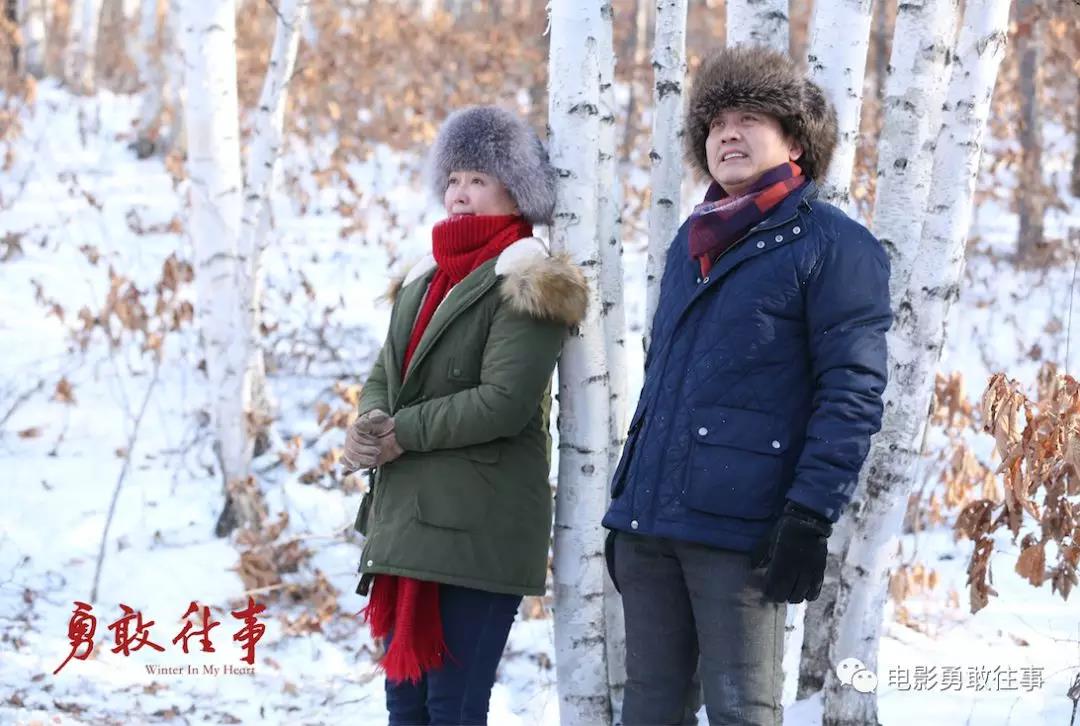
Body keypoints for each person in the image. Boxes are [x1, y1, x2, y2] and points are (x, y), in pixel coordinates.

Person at [602, 46, 893, 725]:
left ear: (795, 141)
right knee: (648, 710)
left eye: (749, 119)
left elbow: (852, 393)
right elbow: (667, 379)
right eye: (715, 123)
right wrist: (627, 500)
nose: (727, 134)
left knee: (743, 711)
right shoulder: (692, 241)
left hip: (741, 529)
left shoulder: (834, 244)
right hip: (648, 525)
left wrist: (809, 515)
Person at [342, 105, 587, 726]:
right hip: (409, 521)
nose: (459, 192)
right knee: (406, 705)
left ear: (516, 191)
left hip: (479, 525)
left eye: (478, 179)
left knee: (453, 706)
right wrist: (371, 424)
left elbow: (502, 401)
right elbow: (385, 375)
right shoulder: (423, 280)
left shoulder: (527, 279)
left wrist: (401, 432)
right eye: (453, 178)